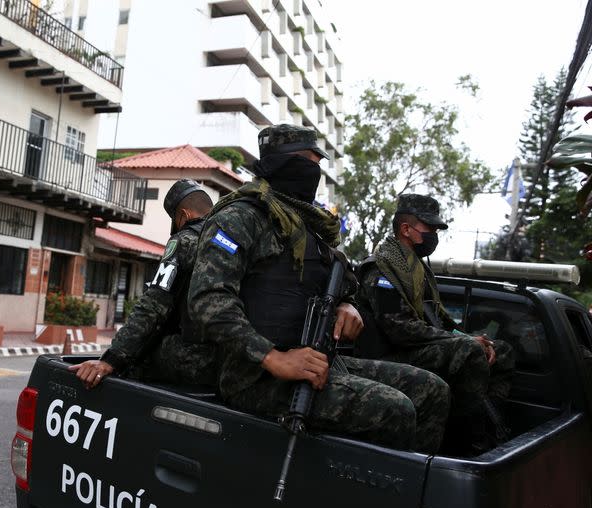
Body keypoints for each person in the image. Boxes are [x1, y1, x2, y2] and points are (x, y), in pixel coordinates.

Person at [187, 124, 450, 453]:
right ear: (282, 163)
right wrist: (273, 357)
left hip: (321, 360)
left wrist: (347, 305)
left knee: (432, 389)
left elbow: (345, 282)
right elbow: (208, 300)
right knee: (395, 409)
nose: (315, 171)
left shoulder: (309, 226)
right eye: (308, 161)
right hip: (256, 375)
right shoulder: (240, 218)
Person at [355, 193, 515, 454]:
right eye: (430, 228)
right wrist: (462, 341)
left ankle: (489, 422)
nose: (434, 235)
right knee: (469, 351)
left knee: (501, 350)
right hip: (388, 354)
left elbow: (439, 320)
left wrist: (465, 336)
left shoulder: (418, 270)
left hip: (415, 348)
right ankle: (470, 445)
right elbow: (400, 329)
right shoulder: (380, 268)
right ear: (406, 229)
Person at [70, 179, 217, 389]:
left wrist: (111, 360)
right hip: (228, 362)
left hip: (195, 359)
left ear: (184, 215)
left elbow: (153, 305)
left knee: (134, 360)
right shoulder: (230, 240)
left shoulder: (184, 240)